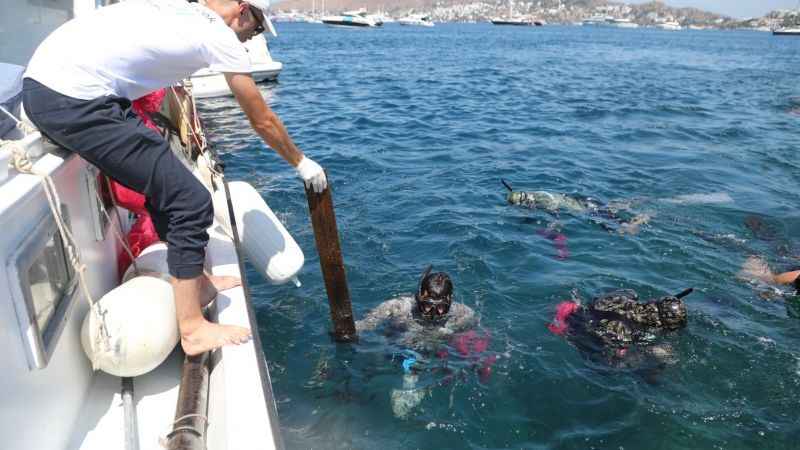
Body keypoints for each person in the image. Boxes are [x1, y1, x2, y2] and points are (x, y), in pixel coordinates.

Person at [22, 0, 328, 356]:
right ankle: (193, 329)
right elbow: (261, 120)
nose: (251, 38)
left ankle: (196, 283)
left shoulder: (182, 9)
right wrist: (302, 163)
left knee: (173, 188)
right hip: (73, 99)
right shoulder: (219, 34)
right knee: (191, 202)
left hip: (59, 87)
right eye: (256, 29)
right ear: (243, 11)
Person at [356, 266, 492, 418]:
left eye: (441, 308)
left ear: (449, 302)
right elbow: (365, 324)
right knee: (374, 363)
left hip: (425, 357)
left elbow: (476, 338)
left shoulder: (463, 315)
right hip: (393, 345)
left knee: (402, 406)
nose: (433, 314)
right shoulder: (399, 307)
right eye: (427, 306)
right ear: (419, 298)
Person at [548, 288, 691, 379]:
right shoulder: (635, 334)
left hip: (571, 314)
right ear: (660, 324)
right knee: (663, 352)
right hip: (583, 343)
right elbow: (608, 362)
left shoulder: (626, 294)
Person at [501, 180, 650, 235]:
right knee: (612, 207)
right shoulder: (536, 194)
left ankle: (641, 219)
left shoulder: (544, 202)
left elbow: (556, 217)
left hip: (586, 209)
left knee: (615, 228)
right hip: (582, 200)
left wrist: (551, 228)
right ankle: (636, 201)